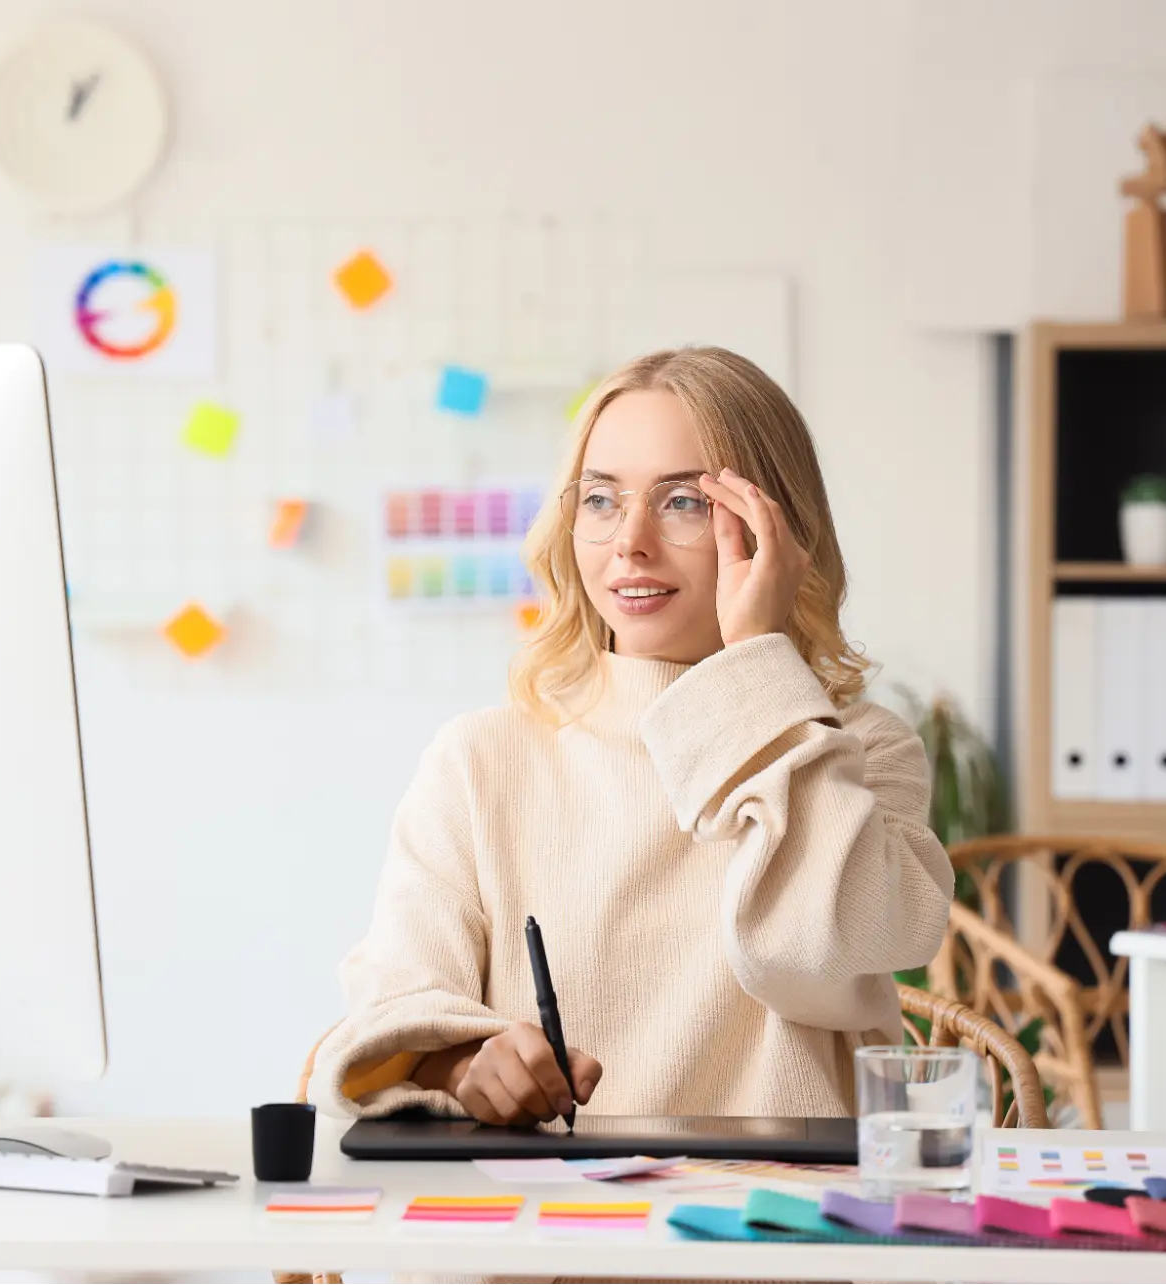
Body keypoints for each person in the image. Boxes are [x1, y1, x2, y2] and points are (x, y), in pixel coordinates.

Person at [315, 346, 954, 1126]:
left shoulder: (855, 746)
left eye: (682, 501)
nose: (629, 541)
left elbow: (818, 952)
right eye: (600, 499)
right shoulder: (479, 759)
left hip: (773, 1217)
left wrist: (757, 666)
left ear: (774, 530)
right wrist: (463, 1064)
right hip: (540, 1220)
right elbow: (394, 1000)